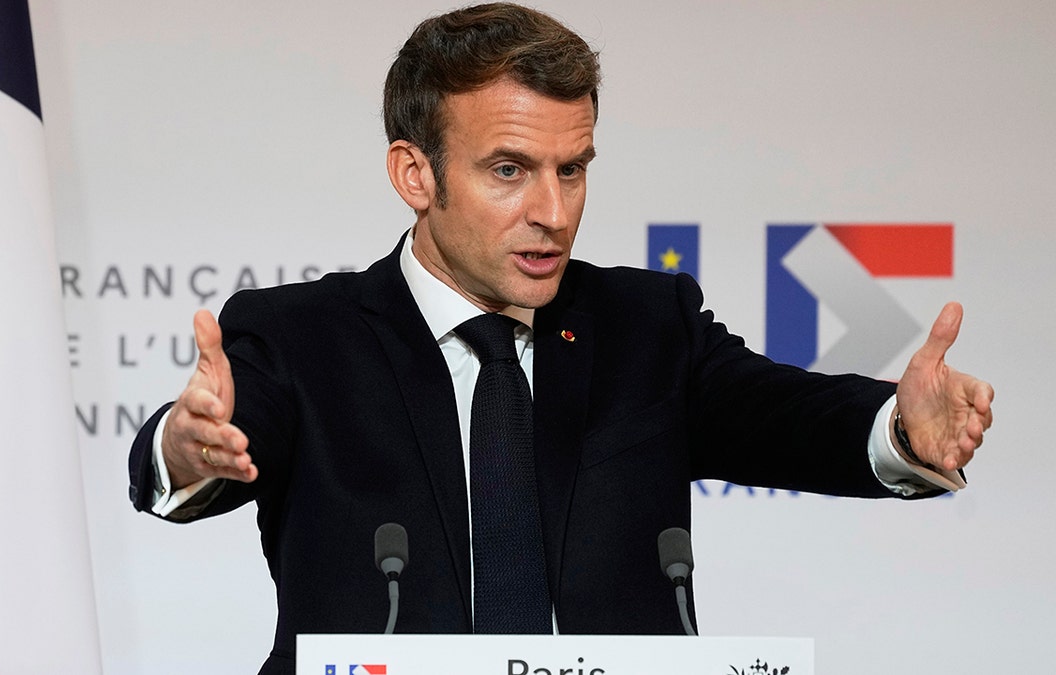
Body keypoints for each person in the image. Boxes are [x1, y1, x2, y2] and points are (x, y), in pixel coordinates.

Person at [128, 4, 994, 673]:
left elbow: (787, 415)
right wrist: (187, 443)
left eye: (571, 169)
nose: (554, 211)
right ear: (414, 173)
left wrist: (902, 427)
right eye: (509, 169)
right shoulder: (301, 338)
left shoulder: (647, 328)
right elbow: (217, 442)